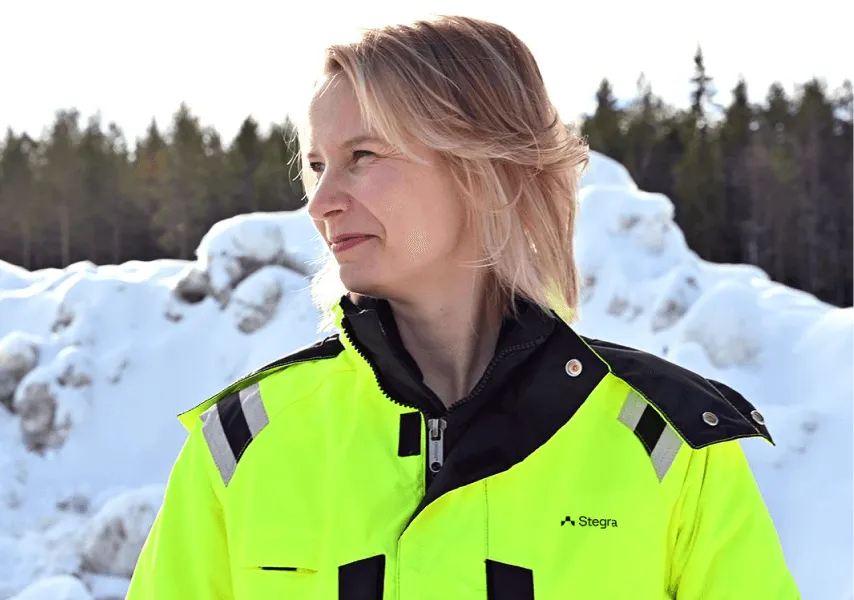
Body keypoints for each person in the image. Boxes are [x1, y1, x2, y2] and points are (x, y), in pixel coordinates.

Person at [126, 15, 801, 600]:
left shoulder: (668, 444)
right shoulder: (244, 445)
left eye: (362, 155)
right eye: (316, 165)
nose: (321, 200)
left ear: (483, 168)